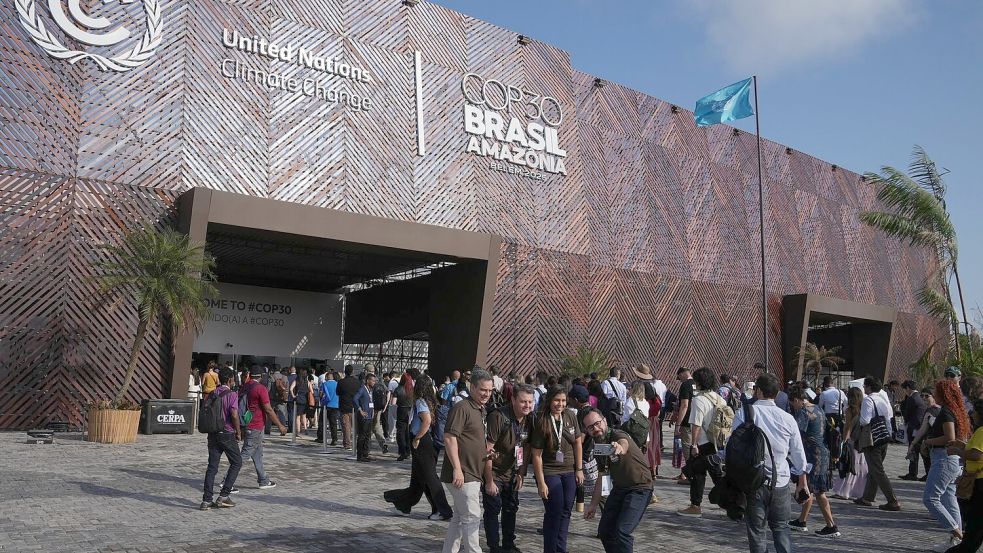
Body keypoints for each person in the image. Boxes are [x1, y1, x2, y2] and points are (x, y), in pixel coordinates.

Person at [731, 373, 807, 553]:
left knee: (757, 532)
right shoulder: (787, 418)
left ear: (757, 391)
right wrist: (802, 483)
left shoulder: (745, 413)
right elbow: (798, 454)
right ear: (777, 392)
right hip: (780, 481)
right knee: (781, 528)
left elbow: (732, 446)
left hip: (753, 481)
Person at [581, 407, 654, 553]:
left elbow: (623, 442)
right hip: (620, 489)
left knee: (622, 531)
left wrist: (620, 447)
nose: (596, 428)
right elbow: (602, 477)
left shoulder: (616, 434)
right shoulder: (599, 447)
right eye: (590, 427)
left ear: (605, 420)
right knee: (605, 530)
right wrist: (593, 505)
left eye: (597, 423)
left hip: (640, 488)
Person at [441, 369, 495, 553]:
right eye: (483, 390)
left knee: (460, 518)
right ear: (472, 387)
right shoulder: (462, 407)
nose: (486, 394)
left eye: (489, 390)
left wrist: (486, 452)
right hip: (464, 473)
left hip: (473, 472)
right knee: (472, 517)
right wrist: (457, 468)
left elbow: (471, 439)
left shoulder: (480, 410)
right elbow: (449, 437)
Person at [384, 375, 453, 520]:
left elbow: (426, 421)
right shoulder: (432, 400)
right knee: (418, 478)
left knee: (429, 476)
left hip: (422, 441)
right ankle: (404, 505)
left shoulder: (421, 401)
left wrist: (417, 438)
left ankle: (443, 509)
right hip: (427, 441)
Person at [483, 384, 535, 553]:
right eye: (523, 402)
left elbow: (526, 447)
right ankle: (494, 546)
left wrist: (521, 473)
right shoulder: (499, 417)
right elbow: (487, 450)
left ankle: (508, 545)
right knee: (492, 510)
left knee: (511, 509)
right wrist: (489, 481)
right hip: (495, 472)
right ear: (513, 400)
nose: (527, 405)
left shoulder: (529, 419)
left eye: (530, 402)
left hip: (512, 473)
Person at [531, 386, 583, 553]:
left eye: (563, 401)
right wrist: (541, 482)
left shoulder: (570, 415)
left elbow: (577, 443)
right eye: (556, 400)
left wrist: (579, 469)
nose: (560, 404)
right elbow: (536, 455)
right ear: (549, 400)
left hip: (569, 470)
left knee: (566, 510)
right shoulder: (542, 420)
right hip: (550, 471)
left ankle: (561, 548)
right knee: (555, 510)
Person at [922, 379, 972, 551]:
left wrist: (928, 441)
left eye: (937, 392)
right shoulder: (956, 411)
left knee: (930, 498)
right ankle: (956, 541)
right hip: (950, 459)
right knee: (950, 499)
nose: (934, 395)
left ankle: (958, 533)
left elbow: (949, 437)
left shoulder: (946, 412)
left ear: (943, 394)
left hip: (944, 458)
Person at [787, 384, 840, 537]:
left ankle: (831, 525)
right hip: (823, 452)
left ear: (797, 400)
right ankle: (802, 521)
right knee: (809, 488)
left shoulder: (803, 412)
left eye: (793, 403)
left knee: (819, 492)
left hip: (813, 455)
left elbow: (796, 433)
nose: (793, 407)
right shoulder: (817, 408)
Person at [677, 367, 725, 517]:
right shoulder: (718, 398)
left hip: (703, 442)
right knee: (717, 474)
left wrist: (694, 445)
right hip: (716, 441)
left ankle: (695, 506)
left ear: (699, 382)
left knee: (698, 473)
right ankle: (732, 502)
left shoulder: (699, 400)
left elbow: (696, 424)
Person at [944, 399, 983, 553]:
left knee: (976, 522)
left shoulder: (981, 431)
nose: (971, 414)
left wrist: (957, 451)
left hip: (979, 481)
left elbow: (977, 455)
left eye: (974, 411)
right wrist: (962, 445)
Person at [238, 366, 287, 489]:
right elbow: (268, 409)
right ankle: (226, 480)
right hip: (256, 425)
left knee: (257, 454)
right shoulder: (260, 388)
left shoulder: (246, 386)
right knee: (245, 454)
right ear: (261, 375)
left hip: (247, 422)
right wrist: (280, 425)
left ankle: (263, 479)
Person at [856, 376, 901, 511]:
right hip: (883, 437)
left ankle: (892, 500)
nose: (863, 388)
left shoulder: (868, 400)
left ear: (869, 387)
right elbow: (889, 419)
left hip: (872, 438)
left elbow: (864, 420)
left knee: (877, 470)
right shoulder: (883, 399)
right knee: (874, 469)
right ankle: (867, 497)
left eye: (865, 386)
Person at [200, 367, 241, 510]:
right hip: (227, 433)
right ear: (230, 380)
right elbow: (234, 415)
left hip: (213, 434)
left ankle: (206, 500)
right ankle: (224, 496)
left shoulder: (212, 393)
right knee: (236, 462)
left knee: (212, 467)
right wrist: (238, 431)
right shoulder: (232, 394)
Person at [832, 387, 868, 500]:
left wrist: (844, 441)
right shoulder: (864, 408)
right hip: (862, 442)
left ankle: (844, 491)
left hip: (852, 440)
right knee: (861, 467)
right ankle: (860, 491)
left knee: (849, 465)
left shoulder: (850, 410)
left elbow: (847, 427)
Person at [898, 379, 927, 480]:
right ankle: (918, 472)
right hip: (920, 426)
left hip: (913, 427)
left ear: (908, 388)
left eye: (905, 389)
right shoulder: (920, 397)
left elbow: (907, 413)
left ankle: (912, 473)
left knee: (913, 449)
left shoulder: (911, 398)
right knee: (919, 451)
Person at [673, 367, 695, 481]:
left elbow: (684, 405)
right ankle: (687, 474)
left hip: (687, 422)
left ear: (682, 374)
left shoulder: (685, 385)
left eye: (679, 377)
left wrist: (678, 424)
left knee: (687, 448)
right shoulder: (698, 384)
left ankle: (689, 475)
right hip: (698, 421)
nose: (680, 380)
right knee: (695, 447)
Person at [353, 372, 378, 462]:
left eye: (375, 381)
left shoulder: (370, 390)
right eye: (373, 381)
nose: (374, 382)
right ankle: (360, 455)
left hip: (370, 416)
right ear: (368, 381)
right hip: (364, 416)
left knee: (368, 436)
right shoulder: (362, 389)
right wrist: (360, 410)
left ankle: (366, 453)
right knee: (362, 436)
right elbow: (355, 398)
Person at [336, 365, 360, 450]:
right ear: (352, 371)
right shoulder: (357, 382)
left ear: (344, 371)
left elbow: (337, 393)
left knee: (346, 426)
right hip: (355, 406)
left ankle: (347, 444)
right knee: (356, 426)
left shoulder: (341, 382)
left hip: (344, 406)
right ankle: (357, 443)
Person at [395, 371, 415, 461]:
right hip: (410, 411)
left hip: (401, 410)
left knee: (401, 432)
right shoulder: (412, 389)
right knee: (408, 431)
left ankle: (402, 452)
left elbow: (393, 403)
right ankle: (408, 450)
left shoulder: (398, 389)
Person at [317, 371, 339, 445]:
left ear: (327, 377)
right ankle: (334, 439)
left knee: (322, 422)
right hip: (335, 405)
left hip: (326, 405)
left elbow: (320, 394)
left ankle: (321, 438)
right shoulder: (337, 384)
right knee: (333, 423)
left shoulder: (324, 384)